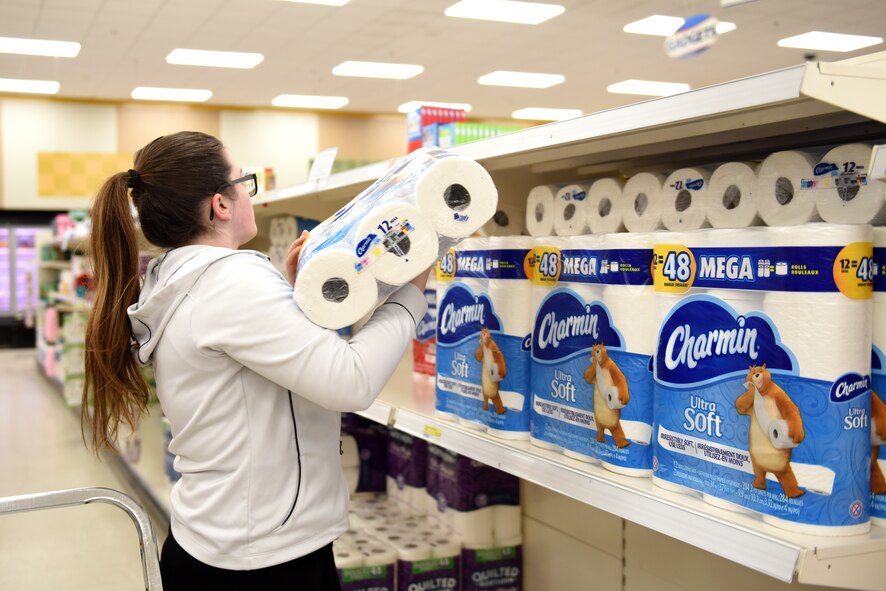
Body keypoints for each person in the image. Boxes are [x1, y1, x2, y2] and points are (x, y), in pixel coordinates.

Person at [83, 131, 430, 590]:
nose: (248, 191)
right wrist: (412, 289)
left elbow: (270, 367)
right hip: (264, 560)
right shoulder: (233, 280)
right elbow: (352, 380)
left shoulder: (178, 277)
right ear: (220, 205)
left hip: (213, 540)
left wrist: (302, 300)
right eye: (242, 179)